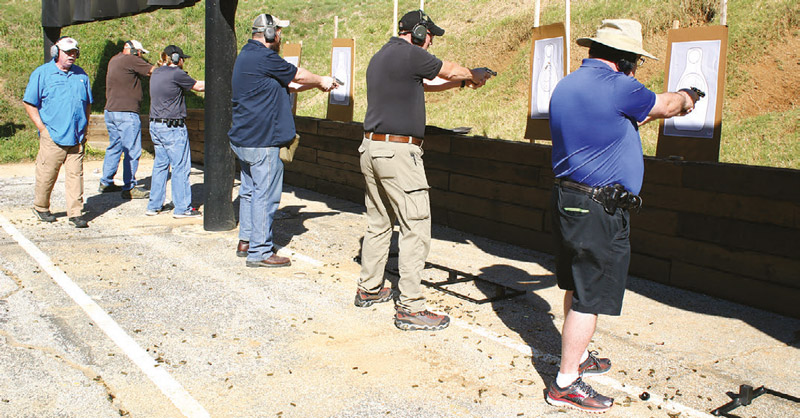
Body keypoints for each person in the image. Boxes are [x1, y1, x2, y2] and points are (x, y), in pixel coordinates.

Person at [545, 19, 701, 413]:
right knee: (590, 296)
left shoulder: (567, 85)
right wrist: (687, 96)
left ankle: (578, 359)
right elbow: (664, 105)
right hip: (599, 207)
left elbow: (622, 118)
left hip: (570, 200)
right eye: (635, 62)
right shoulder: (618, 87)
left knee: (577, 283)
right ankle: (566, 382)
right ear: (625, 59)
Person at [355, 10, 492, 331]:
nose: (430, 41)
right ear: (417, 31)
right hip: (400, 154)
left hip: (371, 148)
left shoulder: (383, 56)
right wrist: (470, 74)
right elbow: (450, 69)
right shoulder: (411, 54)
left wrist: (463, 83)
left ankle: (369, 288)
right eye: (430, 35)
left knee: (378, 223)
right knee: (415, 226)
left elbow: (427, 84)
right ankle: (411, 307)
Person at [229, 13, 337, 268]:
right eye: (278, 31)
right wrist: (321, 79)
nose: (280, 35)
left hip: (245, 140)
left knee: (249, 193)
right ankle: (260, 251)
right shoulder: (264, 57)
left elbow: (289, 84)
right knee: (265, 197)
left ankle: (246, 241)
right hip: (262, 141)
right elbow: (297, 74)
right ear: (269, 33)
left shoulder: (248, 55)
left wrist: (318, 85)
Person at [23, 36, 93, 228]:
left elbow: (86, 103)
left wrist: (85, 127)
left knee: (75, 176)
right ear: (56, 53)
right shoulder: (42, 73)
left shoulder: (81, 75)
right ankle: (41, 207)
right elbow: (30, 103)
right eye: (68, 52)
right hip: (52, 136)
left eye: (74, 53)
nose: (72, 56)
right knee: (47, 175)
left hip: (76, 137)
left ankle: (75, 213)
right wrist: (42, 129)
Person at [146, 45, 205, 218]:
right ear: (175, 58)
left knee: (160, 165)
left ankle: (154, 205)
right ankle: (182, 208)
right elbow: (199, 87)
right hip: (172, 127)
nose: (183, 62)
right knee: (180, 167)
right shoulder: (177, 74)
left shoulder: (156, 72)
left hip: (155, 126)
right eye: (182, 58)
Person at [99, 39, 155, 199]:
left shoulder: (114, 59)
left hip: (111, 110)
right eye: (140, 53)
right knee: (132, 150)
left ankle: (106, 182)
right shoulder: (131, 59)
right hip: (126, 112)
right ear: (133, 51)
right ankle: (130, 187)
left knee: (115, 146)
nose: (140, 57)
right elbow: (154, 71)